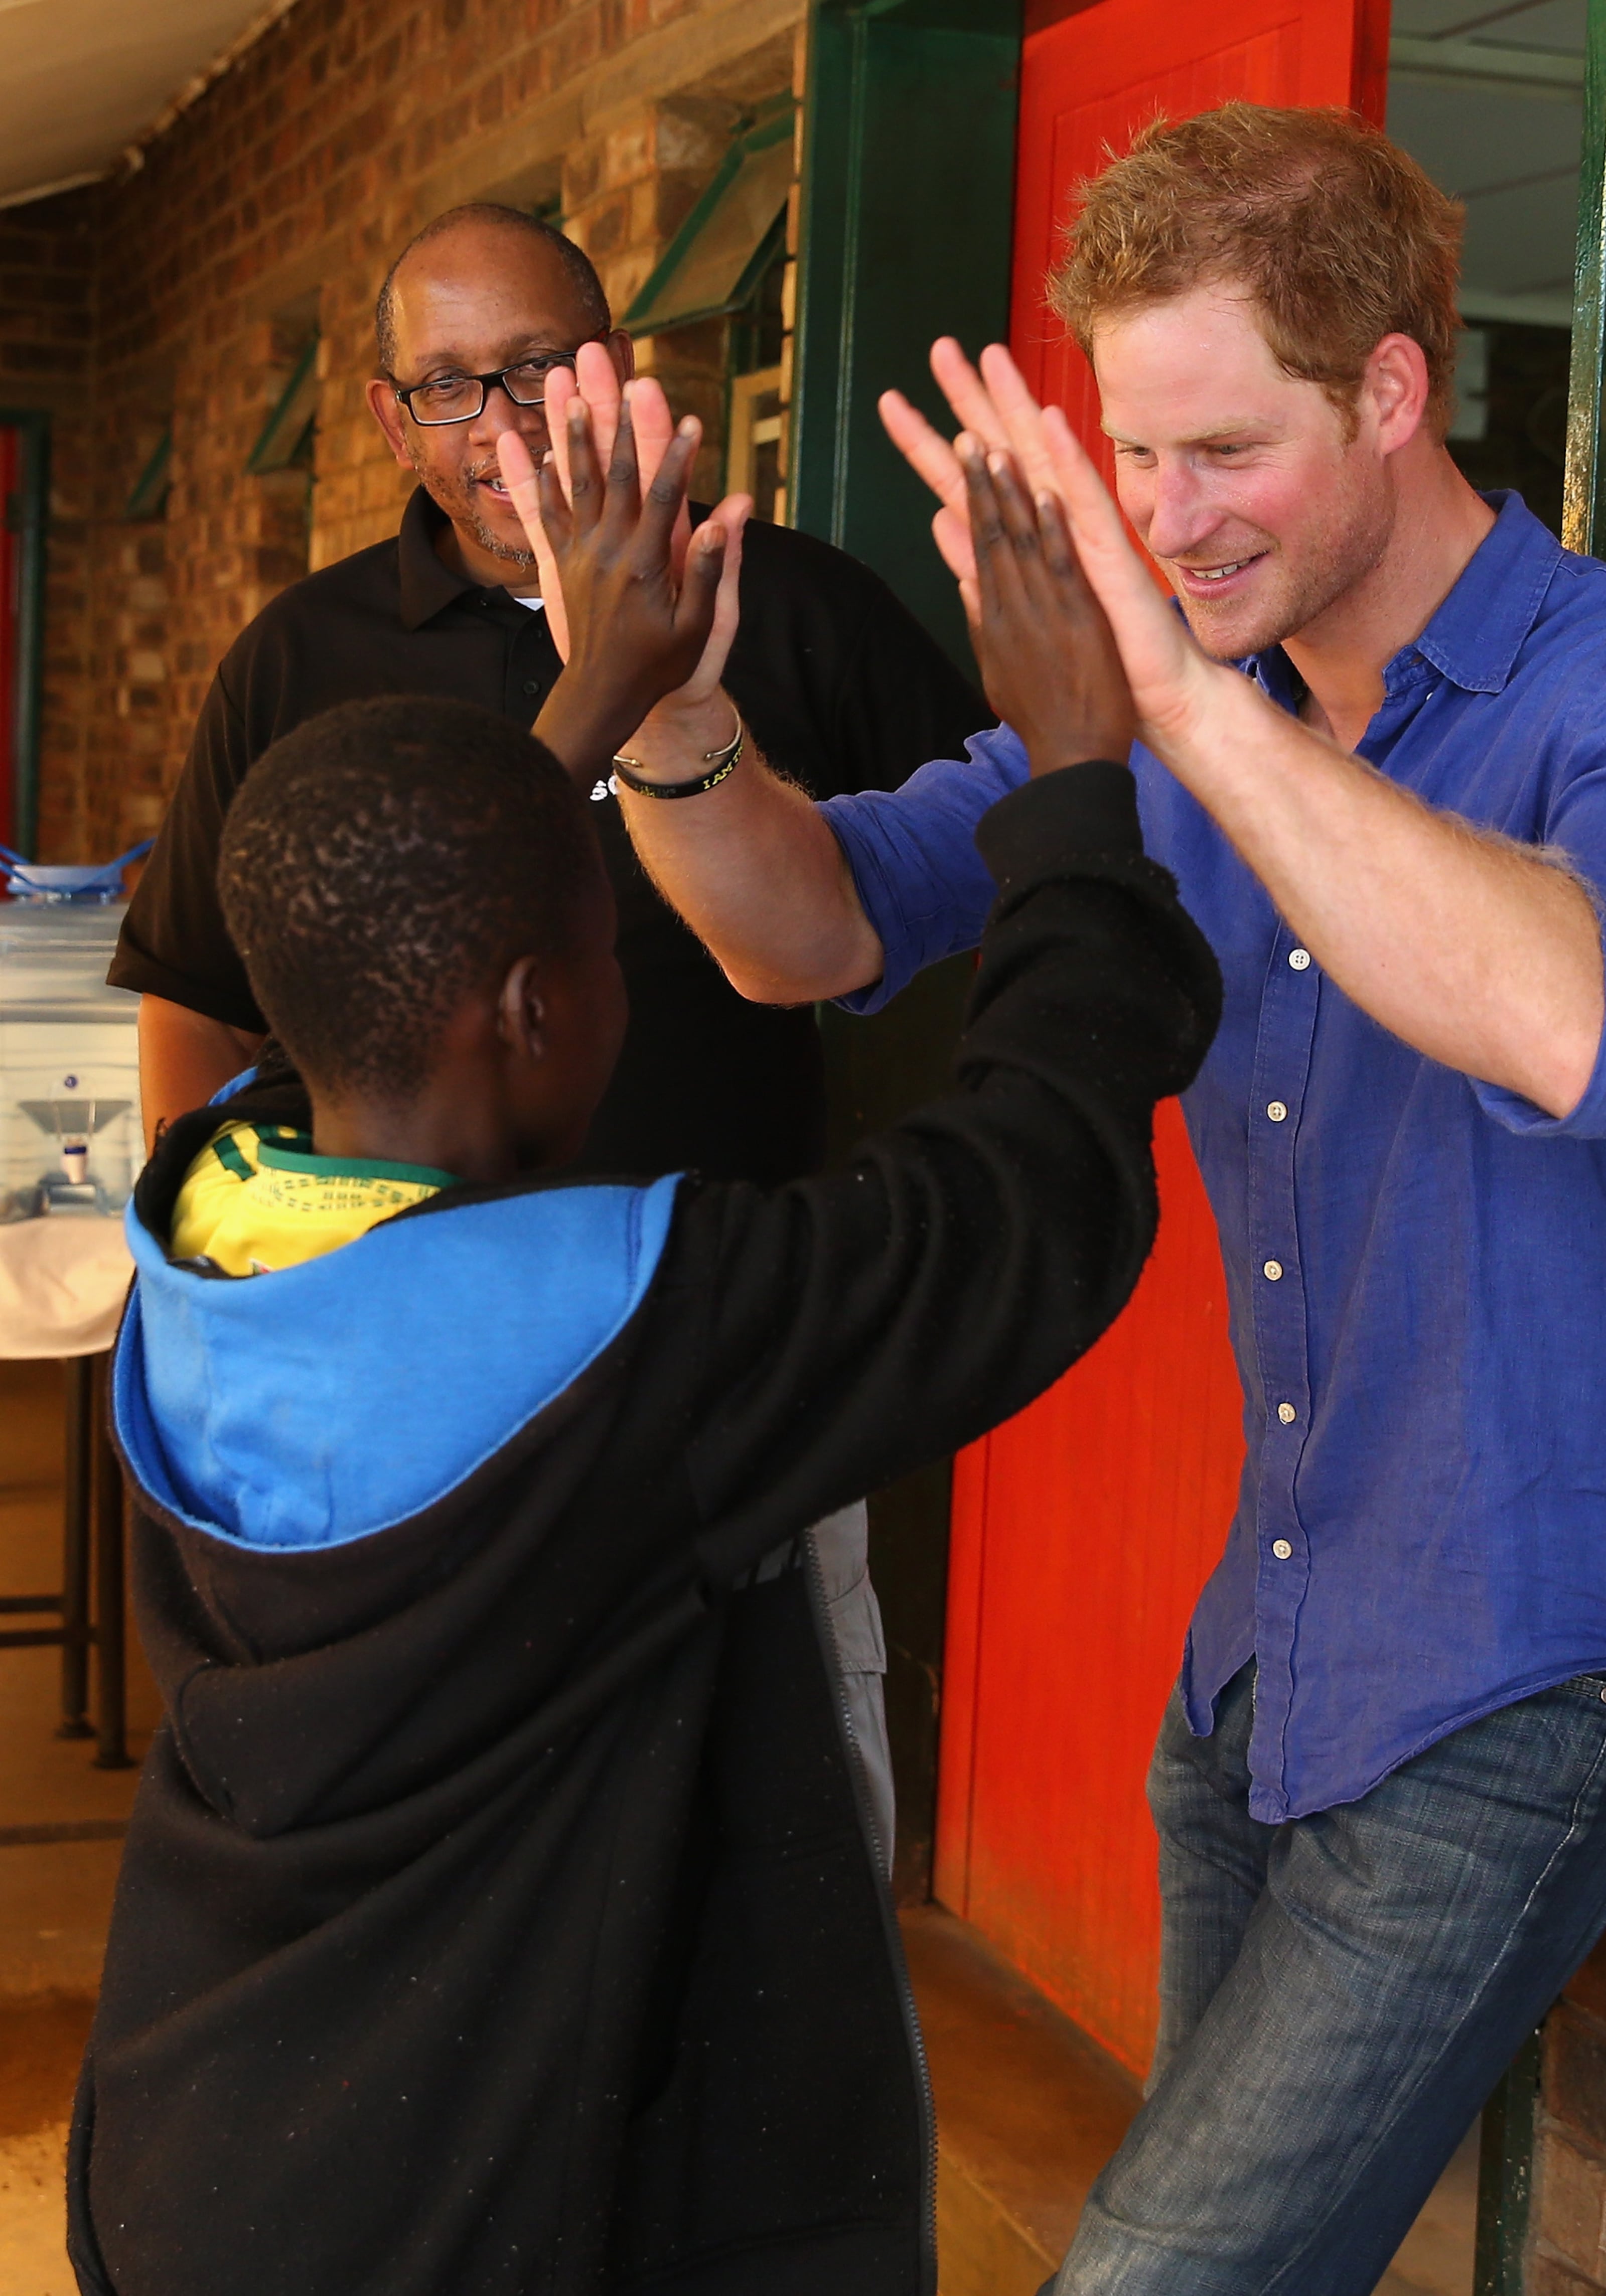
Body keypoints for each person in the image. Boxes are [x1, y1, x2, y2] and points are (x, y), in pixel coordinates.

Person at [596, 104, 1606, 2292]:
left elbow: (1590, 1025)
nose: (1165, 522)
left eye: (1223, 453)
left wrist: (1171, 701)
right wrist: (673, 721)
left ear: (1388, 390)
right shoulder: (1205, 703)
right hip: (1279, 1641)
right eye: (1133, 461)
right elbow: (802, 932)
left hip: (1560, 1624)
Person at [71, 402, 1220, 2296]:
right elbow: (1023, 1208)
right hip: (507, 2202)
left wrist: (600, 697)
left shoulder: (218, 1214)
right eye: (615, 946)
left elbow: (393, 944)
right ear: (533, 1009)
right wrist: (1077, 784)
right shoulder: (640, 1336)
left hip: (210, 2153)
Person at [110, 199, 988, 1859]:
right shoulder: (300, 658)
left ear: (615, 365)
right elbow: (196, 989)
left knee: (786, 1835)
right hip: (405, 1395)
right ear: (388, 416)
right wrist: (228, 1278)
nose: (501, 431)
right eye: (447, 388)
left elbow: (1001, 867)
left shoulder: (789, 612)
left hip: (731, 1351)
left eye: (536, 371)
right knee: (477, 1861)